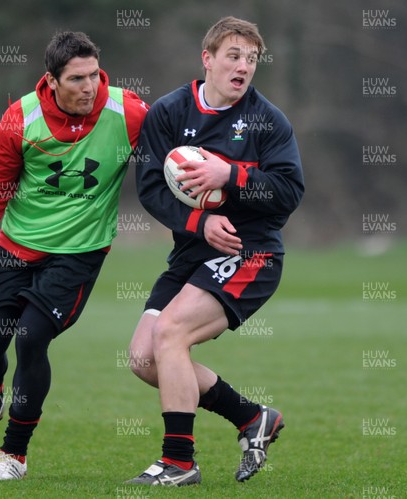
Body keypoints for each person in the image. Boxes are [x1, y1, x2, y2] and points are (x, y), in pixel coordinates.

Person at [0, 31, 147, 481]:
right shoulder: (21, 117)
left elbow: (171, 156)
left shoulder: (126, 111)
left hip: (78, 253)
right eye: (77, 79)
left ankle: (14, 455)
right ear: (51, 80)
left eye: (94, 75)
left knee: (30, 337)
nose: (89, 87)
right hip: (14, 247)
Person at [126, 16, 304, 486]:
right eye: (233, 56)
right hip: (193, 252)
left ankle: (179, 463)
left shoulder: (269, 120)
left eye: (252, 59)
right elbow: (150, 189)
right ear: (207, 59)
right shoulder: (168, 112)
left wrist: (232, 176)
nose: (243, 66)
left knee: (170, 333)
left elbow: (289, 190)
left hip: (252, 253)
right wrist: (199, 223)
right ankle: (251, 417)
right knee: (145, 358)